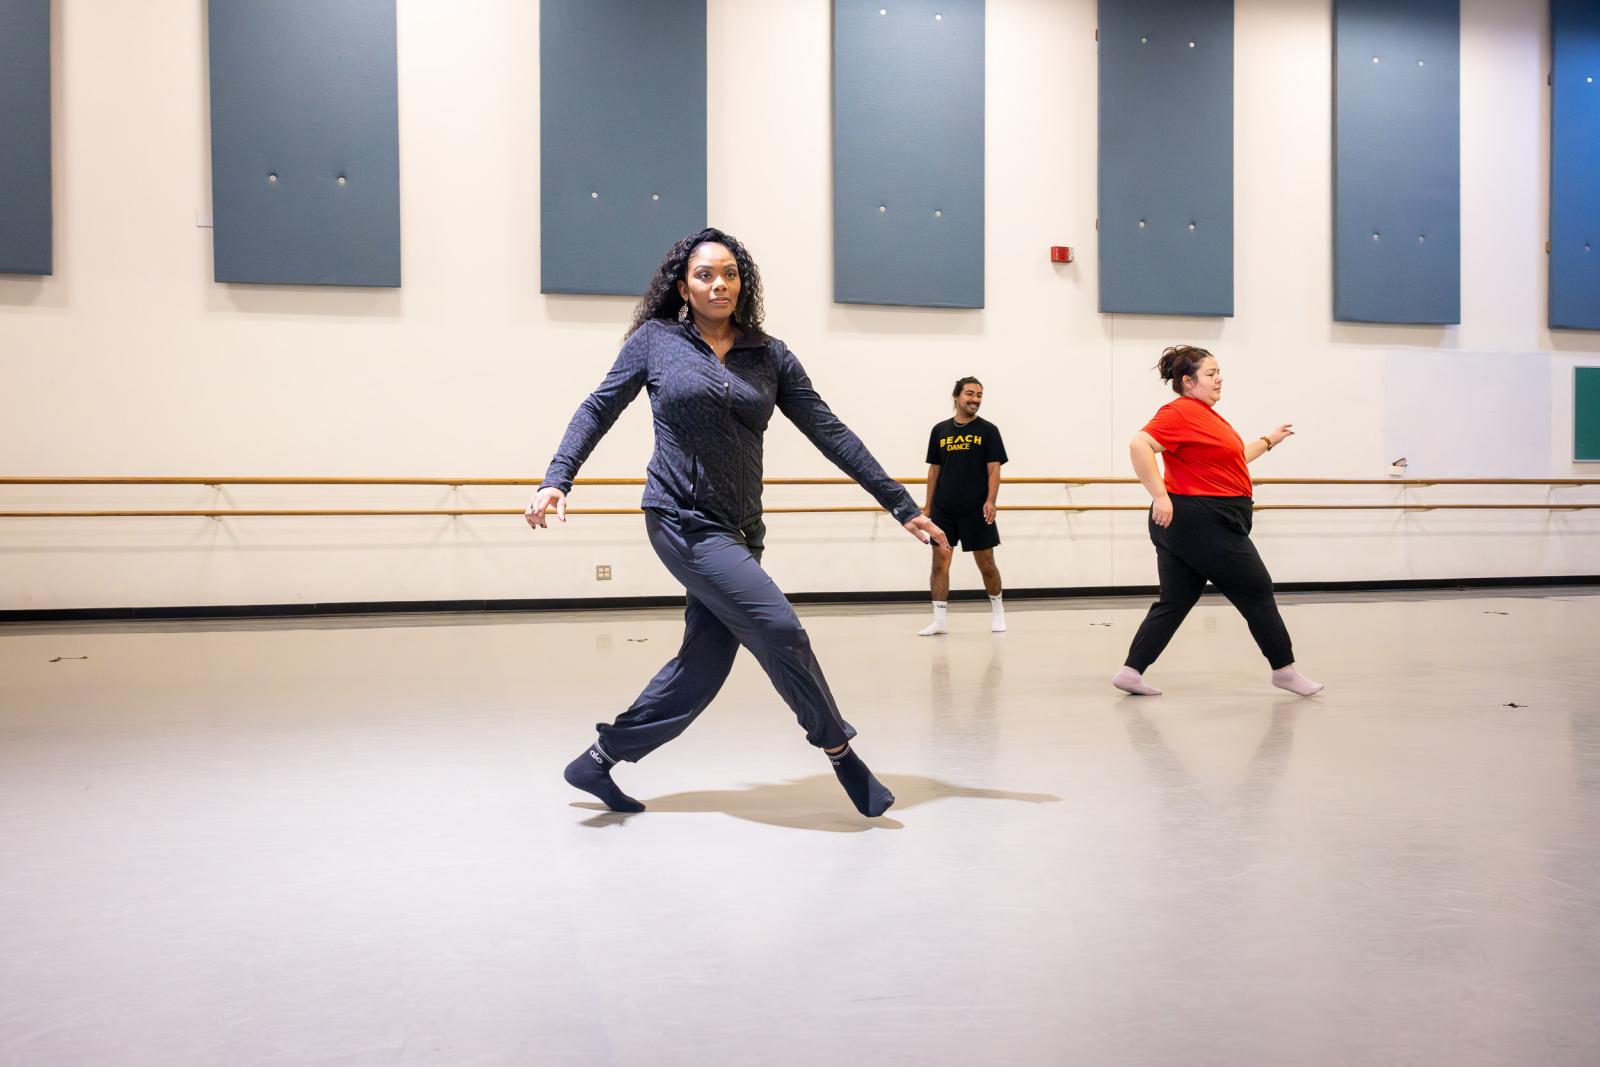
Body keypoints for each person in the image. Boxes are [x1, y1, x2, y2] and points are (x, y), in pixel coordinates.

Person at [526, 228, 948, 818]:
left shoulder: (768, 355)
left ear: (741, 282)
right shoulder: (655, 342)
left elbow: (830, 433)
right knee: (781, 629)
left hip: (741, 530)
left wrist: (902, 505)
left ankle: (597, 760)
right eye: (704, 274)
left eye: (728, 273)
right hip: (679, 519)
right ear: (683, 286)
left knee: (700, 670)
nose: (718, 283)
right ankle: (839, 750)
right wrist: (557, 479)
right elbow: (599, 406)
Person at [1112, 345, 1324, 698]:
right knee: (1257, 588)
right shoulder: (1179, 412)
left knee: (1176, 599)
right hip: (1202, 520)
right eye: (1211, 374)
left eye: (1218, 372)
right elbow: (1139, 445)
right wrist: (1160, 495)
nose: (1218, 379)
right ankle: (1284, 669)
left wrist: (1270, 439)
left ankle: (1130, 671)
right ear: (1188, 381)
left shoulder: (1206, 416)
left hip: (1194, 522)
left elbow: (1236, 457)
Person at [919, 376, 1009, 635]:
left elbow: (994, 469)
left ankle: (998, 612)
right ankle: (939, 621)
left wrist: (991, 500)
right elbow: (934, 470)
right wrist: (928, 507)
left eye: (979, 395)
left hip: (976, 509)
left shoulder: (988, 431)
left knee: (987, 564)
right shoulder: (940, 431)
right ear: (956, 396)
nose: (975, 399)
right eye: (970, 393)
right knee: (939, 564)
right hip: (944, 510)